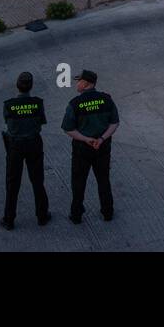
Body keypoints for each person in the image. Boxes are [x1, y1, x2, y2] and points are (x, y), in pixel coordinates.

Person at [61, 69, 119, 223]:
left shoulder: (75, 104)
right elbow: (114, 123)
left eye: (79, 81)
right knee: (103, 180)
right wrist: (101, 139)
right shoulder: (107, 100)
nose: (77, 83)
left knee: (78, 181)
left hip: (82, 149)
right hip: (102, 147)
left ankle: (76, 215)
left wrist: (86, 139)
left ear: (86, 83)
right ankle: (107, 212)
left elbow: (68, 129)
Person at [1, 71, 51, 230]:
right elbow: (42, 121)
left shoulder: (9, 105)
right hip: (33, 143)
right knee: (37, 180)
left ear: (17, 85)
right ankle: (42, 215)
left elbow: (7, 121)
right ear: (31, 86)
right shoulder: (37, 103)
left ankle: (9, 219)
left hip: (15, 145)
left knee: (12, 183)